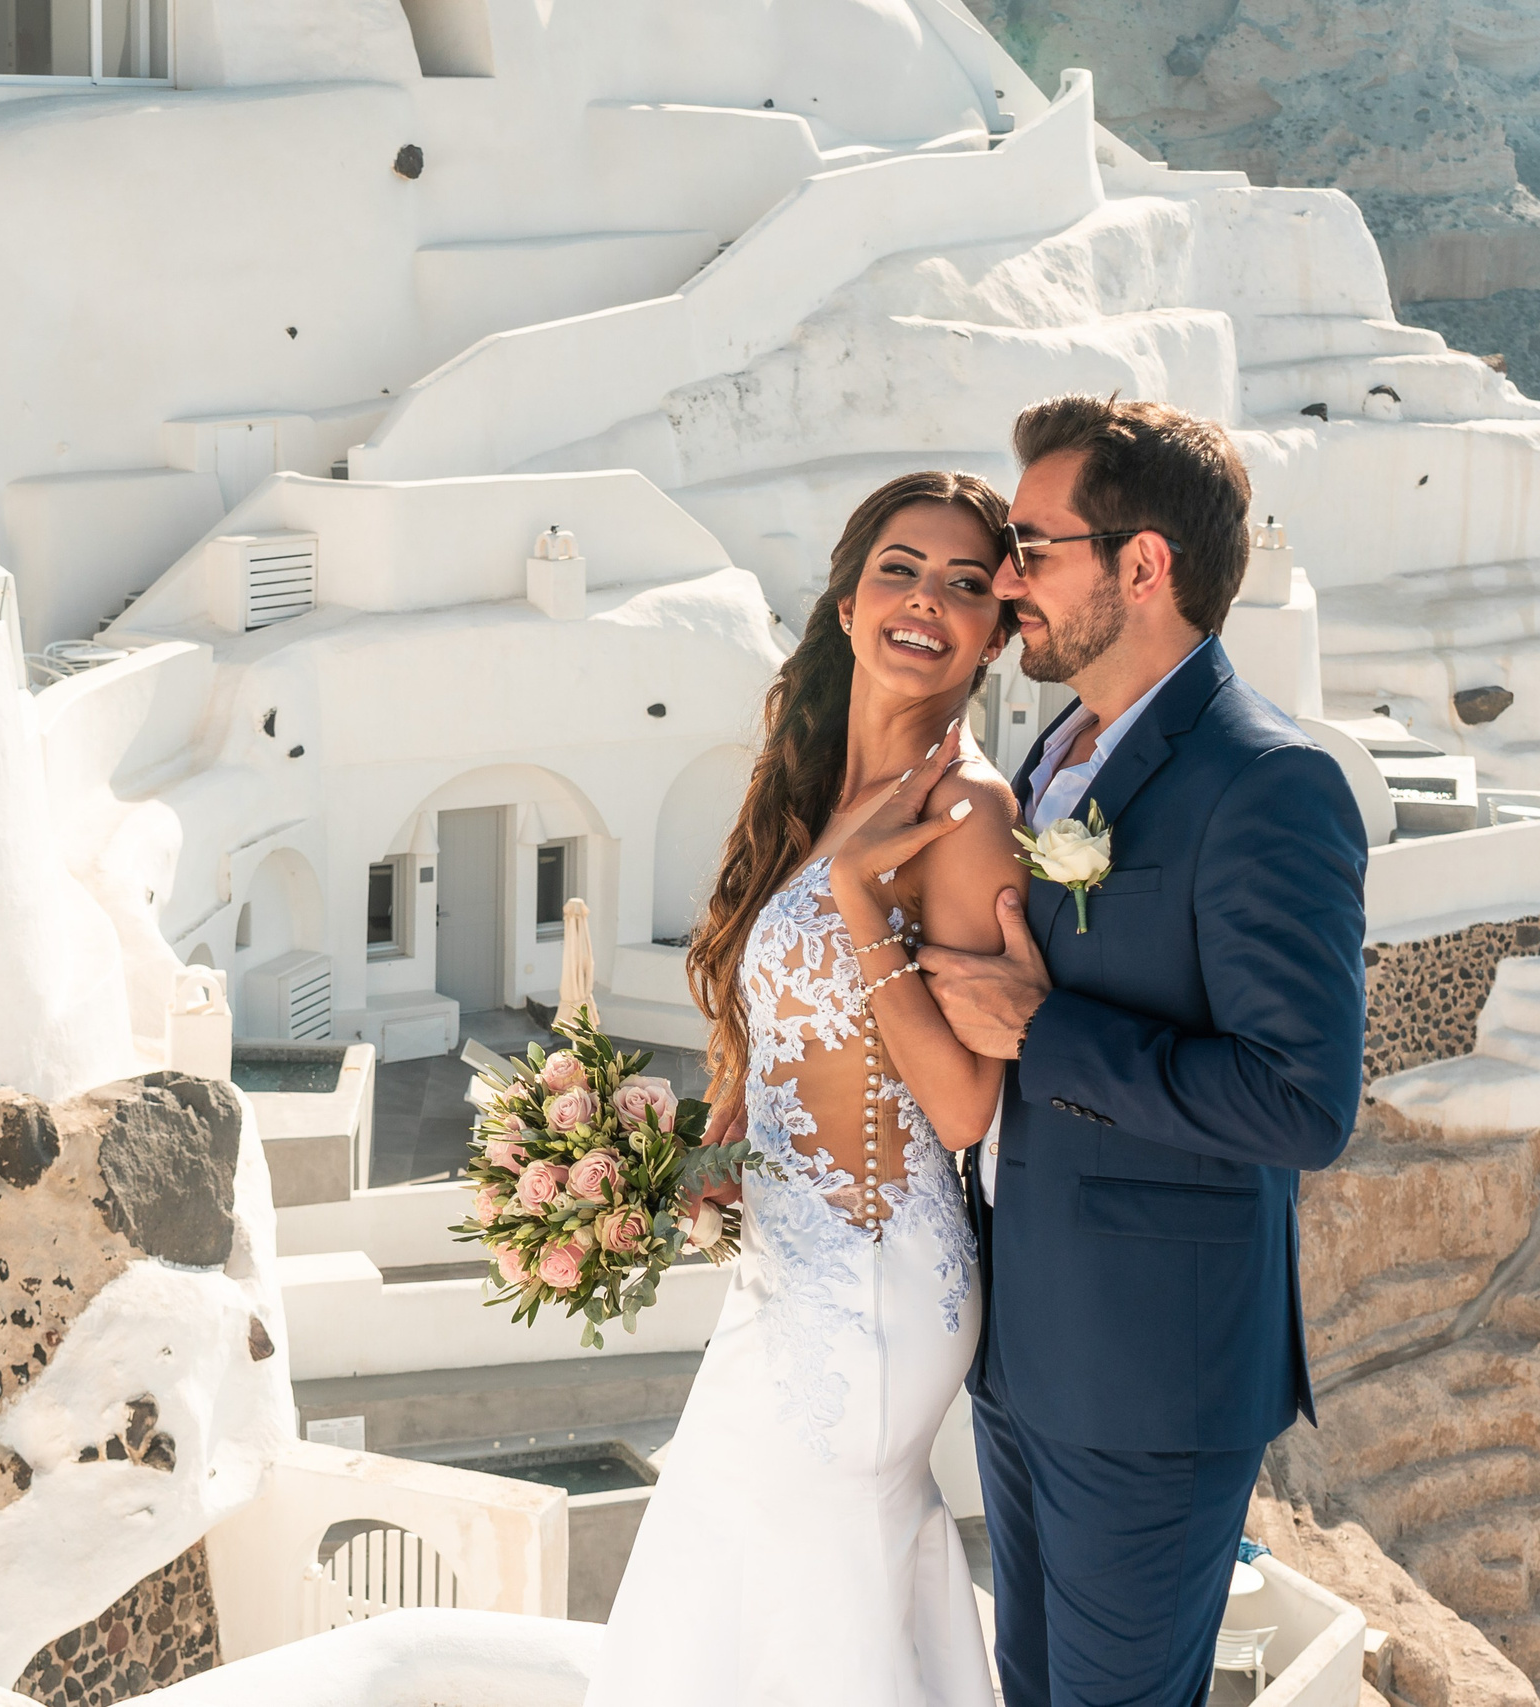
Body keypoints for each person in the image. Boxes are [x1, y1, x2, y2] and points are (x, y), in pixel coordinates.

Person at [918, 396, 1369, 1707]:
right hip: (1025, 1351)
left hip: (1151, 1379)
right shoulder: (1050, 755)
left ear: (1145, 565)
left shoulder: (1267, 782)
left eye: (1032, 544)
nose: (1006, 578)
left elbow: (1300, 1102)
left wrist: (1044, 1029)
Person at [582, 470, 1025, 1705]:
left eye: (965, 584)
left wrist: (855, 908)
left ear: (997, 629)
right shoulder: (812, 790)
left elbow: (963, 1109)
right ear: (844, 601)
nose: (925, 601)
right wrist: (693, 1173)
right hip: (779, 1271)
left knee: (801, 1594)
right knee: (728, 1587)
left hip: (878, 1283)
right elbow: (792, 1061)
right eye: (898, 568)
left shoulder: (965, 812)